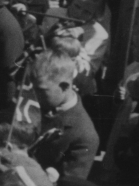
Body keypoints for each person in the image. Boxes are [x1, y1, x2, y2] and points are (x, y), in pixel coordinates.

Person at [28, 50, 99, 180]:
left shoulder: (84, 135)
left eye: (41, 90)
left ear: (65, 87)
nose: (34, 95)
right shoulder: (34, 105)